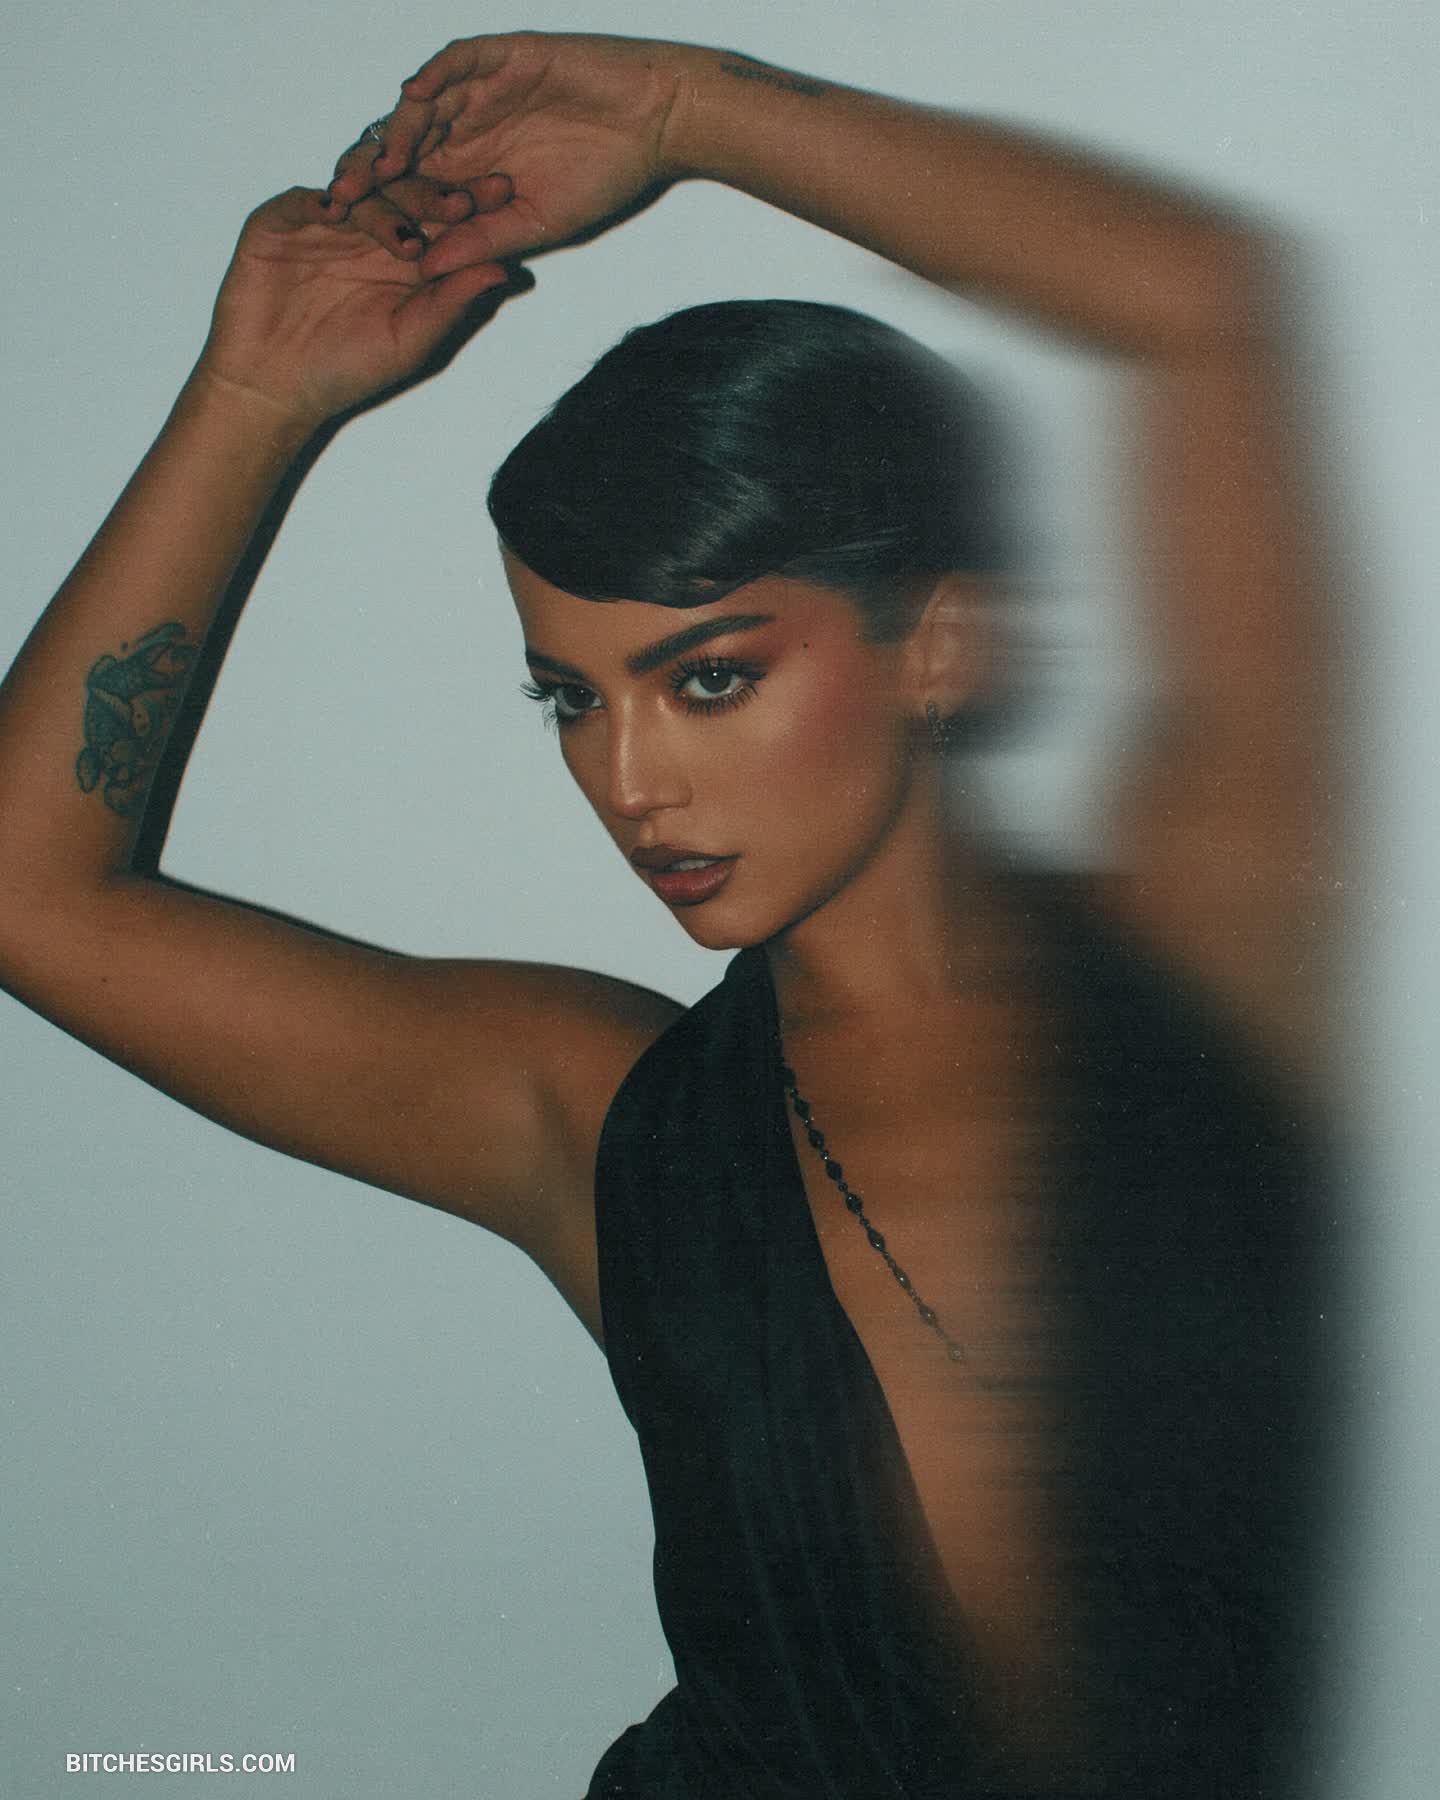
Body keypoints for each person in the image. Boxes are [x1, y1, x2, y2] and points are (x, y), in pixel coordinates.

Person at [0, 30, 1333, 1798]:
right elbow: (30, 895)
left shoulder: (1204, 958)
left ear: (936, 642)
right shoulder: (607, 1119)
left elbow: (1208, 304)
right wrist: (252, 400)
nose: (626, 781)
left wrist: (688, 112)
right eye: (569, 697)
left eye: (708, 678)